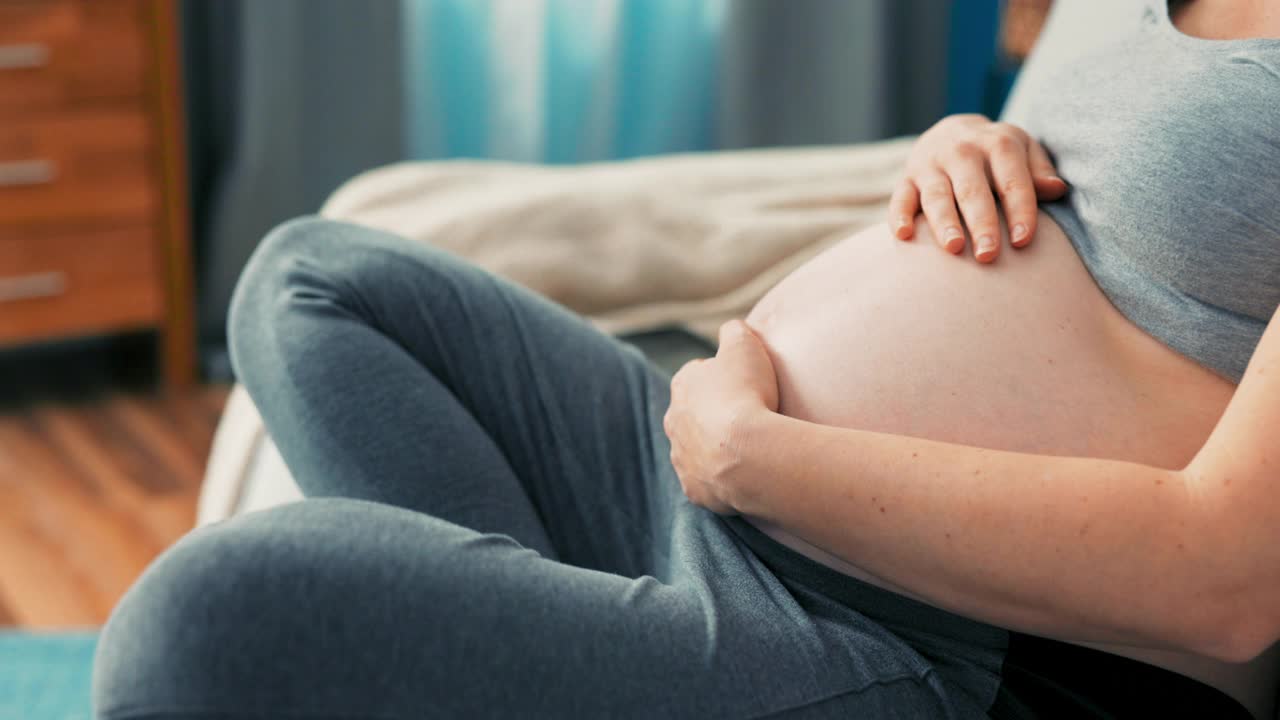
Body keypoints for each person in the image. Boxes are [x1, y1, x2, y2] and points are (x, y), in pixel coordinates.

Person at [93, 0, 1279, 718]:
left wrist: (752, 461)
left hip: (919, 636)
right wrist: (967, 140)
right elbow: (1101, 188)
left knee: (203, 620)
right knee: (314, 282)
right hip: (712, 489)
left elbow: (1225, 577)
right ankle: (578, 649)